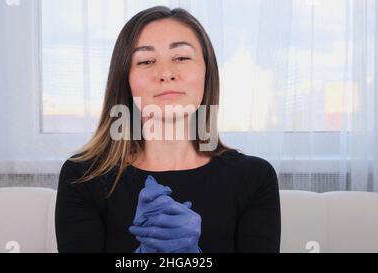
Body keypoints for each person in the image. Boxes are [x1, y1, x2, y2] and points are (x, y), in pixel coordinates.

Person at [55, 6, 281, 253]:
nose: (165, 73)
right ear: (125, 80)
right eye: (146, 61)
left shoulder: (254, 178)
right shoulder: (83, 177)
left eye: (181, 58)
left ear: (207, 72)